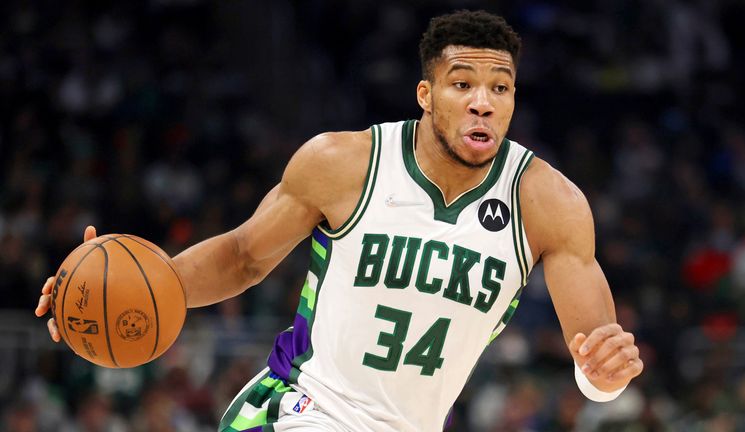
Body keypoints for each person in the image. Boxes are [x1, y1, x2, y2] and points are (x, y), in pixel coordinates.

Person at [35, 10, 643, 432]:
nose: (484, 100)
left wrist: (601, 381)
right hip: (299, 410)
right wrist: (123, 293)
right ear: (426, 95)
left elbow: (596, 355)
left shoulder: (548, 203)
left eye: (500, 87)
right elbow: (243, 256)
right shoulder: (345, 163)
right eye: (462, 84)